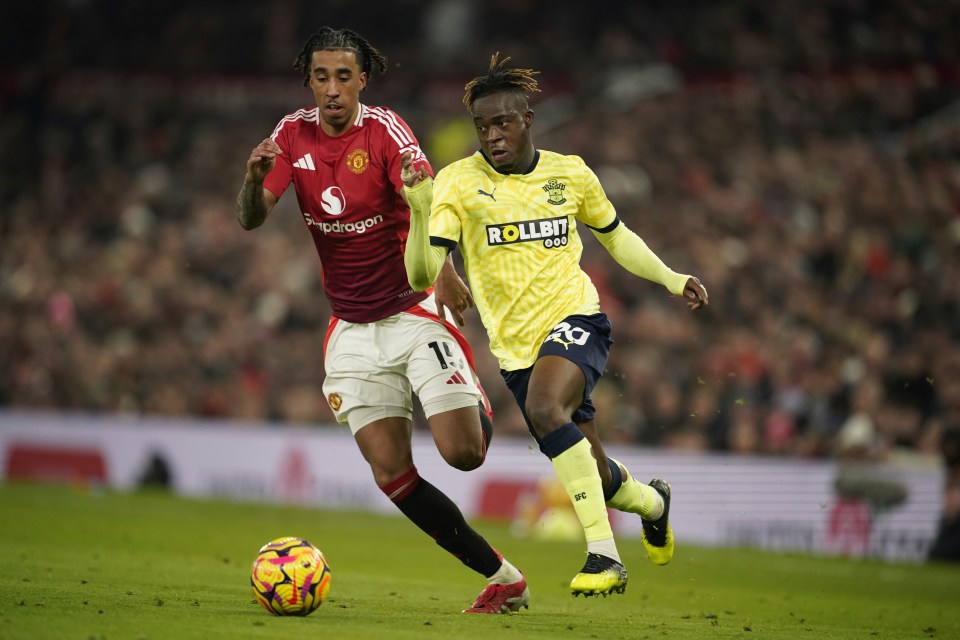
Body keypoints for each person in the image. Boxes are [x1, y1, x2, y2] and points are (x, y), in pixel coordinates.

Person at [235, 29, 529, 614]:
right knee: (392, 475)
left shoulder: (387, 130)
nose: (333, 89)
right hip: (350, 329)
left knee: (463, 455)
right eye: (322, 77)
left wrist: (442, 267)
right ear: (309, 81)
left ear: (362, 79)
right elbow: (251, 219)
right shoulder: (290, 136)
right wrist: (250, 180)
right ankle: (504, 579)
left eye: (344, 77)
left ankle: (473, 406)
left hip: (411, 310)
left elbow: (423, 198)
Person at [403, 54, 709, 597]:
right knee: (596, 472)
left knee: (546, 409)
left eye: (502, 123)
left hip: (576, 317)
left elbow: (616, 237)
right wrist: (421, 211)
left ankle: (604, 556)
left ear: (527, 120)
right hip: (516, 350)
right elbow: (423, 272)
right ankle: (654, 502)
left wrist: (670, 277)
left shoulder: (570, 172)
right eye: (481, 126)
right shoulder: (457, 182)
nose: (491, 136)